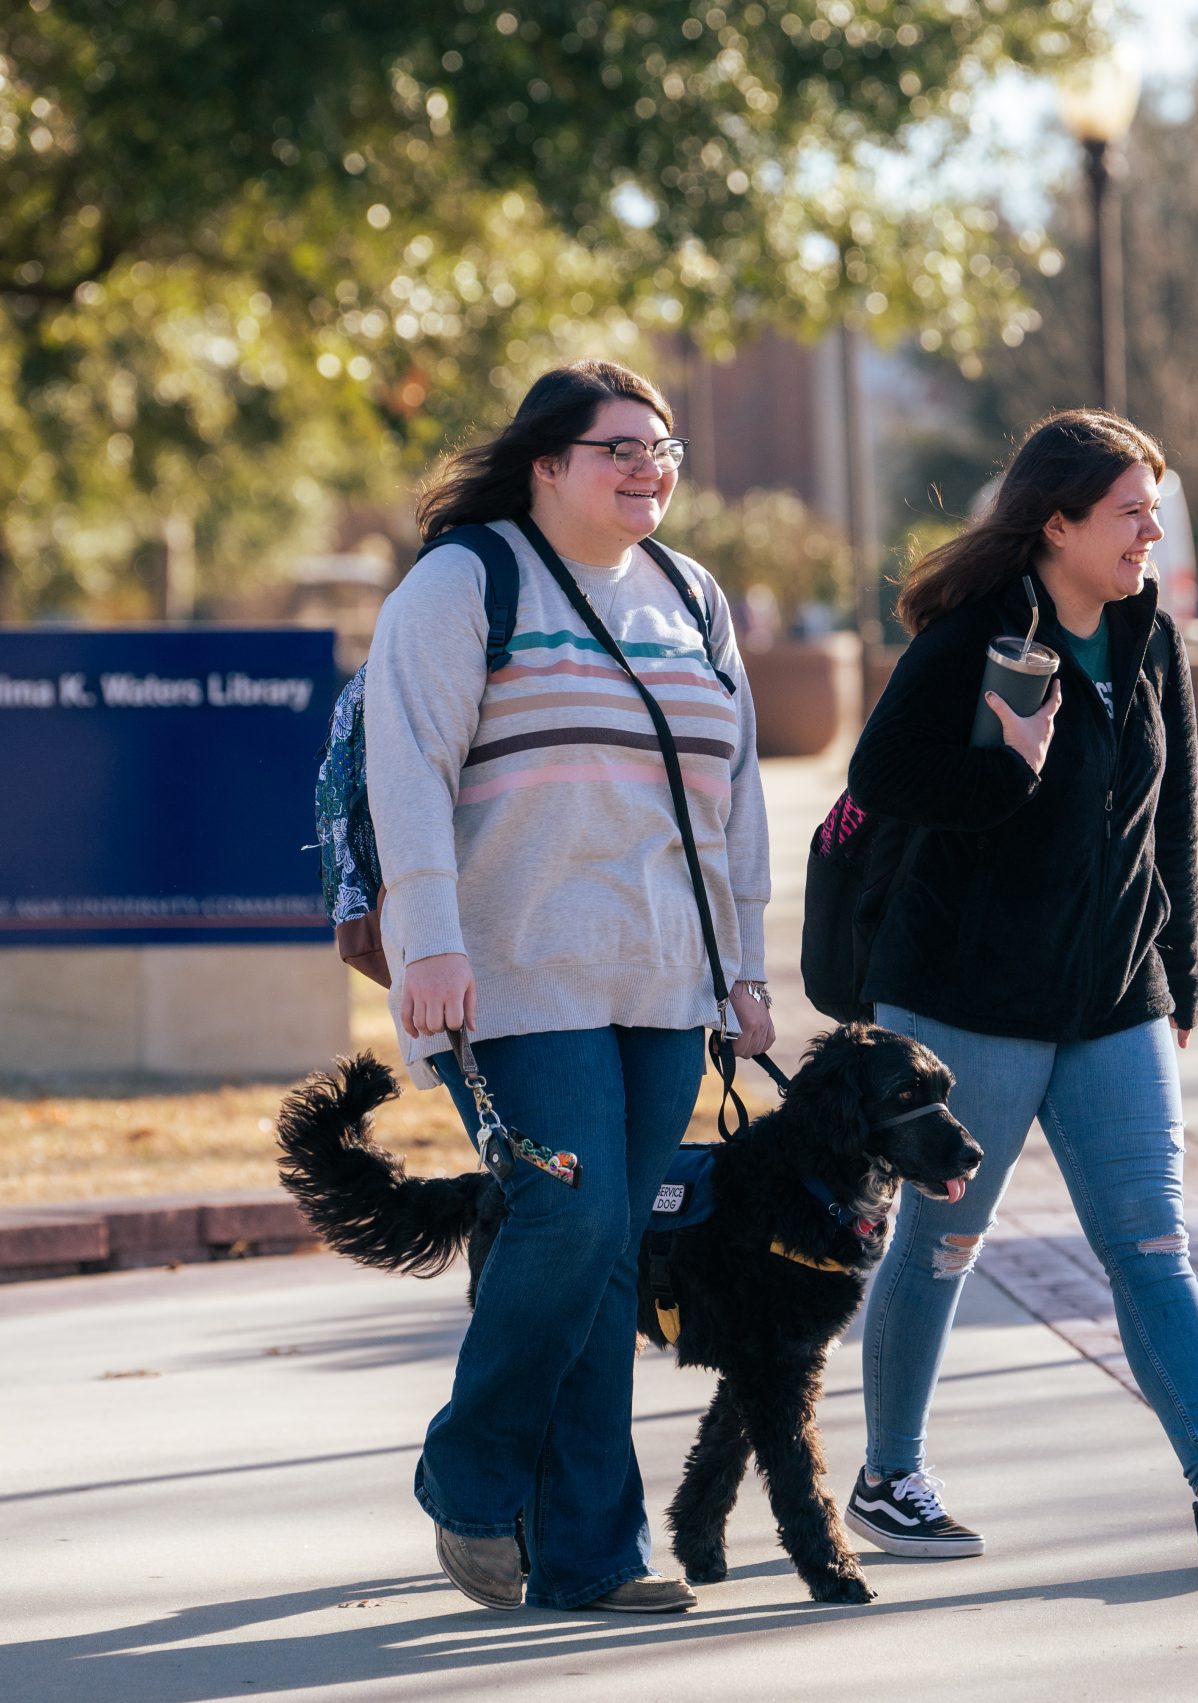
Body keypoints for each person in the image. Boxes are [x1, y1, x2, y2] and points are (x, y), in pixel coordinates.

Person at [837, 410, 1198, 1564]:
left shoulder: (1148, 632)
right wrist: (1003, 771)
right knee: (942, 1236)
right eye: (1130, 510)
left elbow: (1172, 817)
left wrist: (1182, 974)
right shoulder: (979, 633)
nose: (1149, 530)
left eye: (1151, 508)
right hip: (969, 998)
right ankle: (889, 1474)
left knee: (1149, 1238)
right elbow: (885, 774)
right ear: (1055, 522)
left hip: (1116, 997)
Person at [363, 360, 775, 1615]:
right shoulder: (464, 581)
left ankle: (593, 1550)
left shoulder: (689, 595)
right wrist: (427, 937)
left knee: (607, 1249)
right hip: (509, 974)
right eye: (619, 448)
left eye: (663, 449)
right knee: (573, 1216)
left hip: (661, 977)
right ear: (546, 463)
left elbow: (735, 792)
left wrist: (743, 964)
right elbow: (409, 768)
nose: (650, 467)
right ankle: (470, 1466)